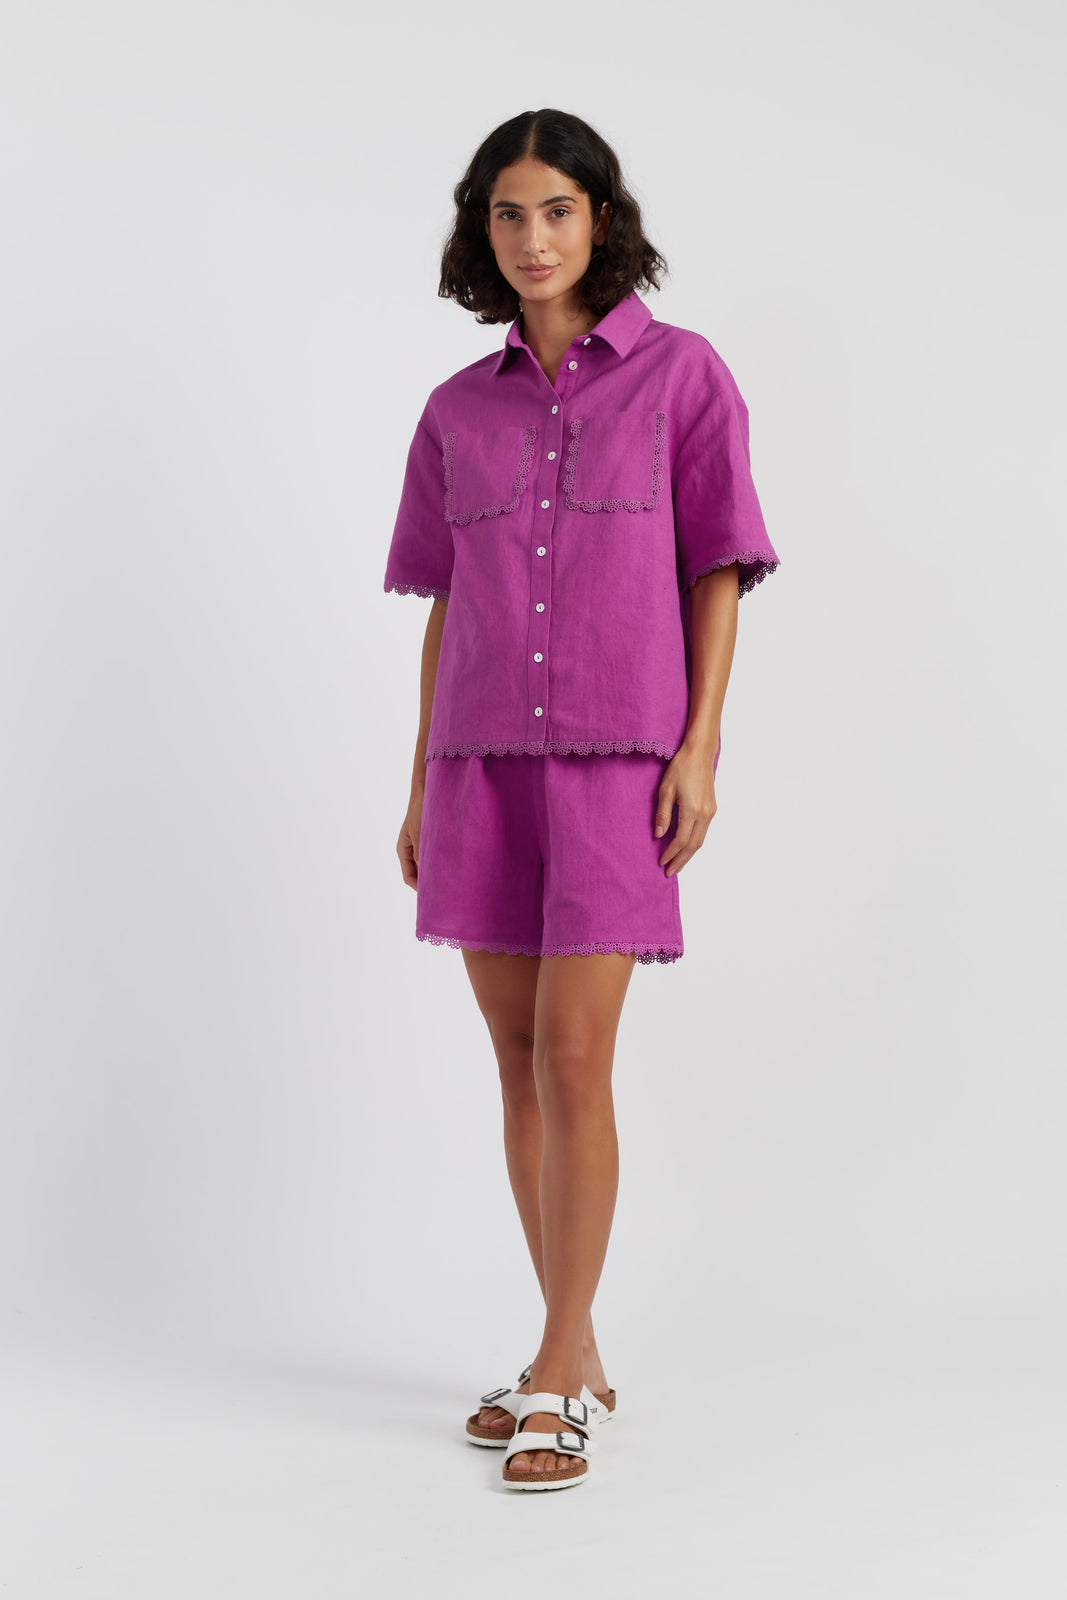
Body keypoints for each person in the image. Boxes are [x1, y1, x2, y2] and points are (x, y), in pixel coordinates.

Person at [382, 108, 780, 1491]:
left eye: (557, 209)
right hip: (479, 765)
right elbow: (445, 609)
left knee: (572, 1056)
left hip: (620, 766)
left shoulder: (682, 377)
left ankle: (559, 1366)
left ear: (600, 218)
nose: (533, 237)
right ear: (481, 232)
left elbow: (716, 568)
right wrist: (419, 780)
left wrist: (701, 746)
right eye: (508, 213)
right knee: (514, 1059)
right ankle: (574, 1349)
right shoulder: (456, 410)